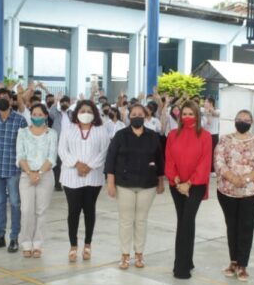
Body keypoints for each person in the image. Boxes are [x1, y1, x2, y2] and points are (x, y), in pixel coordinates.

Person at [105, 104, 165, 270]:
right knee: (126, 220)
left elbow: (160, 160)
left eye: (140, 114)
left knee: (141, 220)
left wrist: (160, 181)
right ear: (129, 117)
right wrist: (110, 182)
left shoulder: (152, 136)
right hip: (124, 184)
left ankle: (139, 253)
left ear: (145, 116)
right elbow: (111, 160)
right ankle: (125, 254)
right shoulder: (120, 136)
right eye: (133, 114)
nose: (137, 116)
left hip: (148, 185)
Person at [214, 109, 254, 282]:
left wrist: (245, 179)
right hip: (227, 191)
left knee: (246, 227)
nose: (243, 121)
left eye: (246, 119)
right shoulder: (224, 140)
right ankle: (233, 261)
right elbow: (219, 162)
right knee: (232, 226)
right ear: (234, 121)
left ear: (252, 122)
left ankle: (243, 265)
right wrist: (232, 178)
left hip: (252, 192)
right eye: (240, 118)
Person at [165, 100, 212, 279]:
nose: (187, 117)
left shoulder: (206, 136)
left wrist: (189, 183)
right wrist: (176, 179)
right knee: (184, 221)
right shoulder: (172, 135)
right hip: (176, 185)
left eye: (191, 114)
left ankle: (181, 267)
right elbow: (169, 159)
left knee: (186, 221)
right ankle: (187, 261)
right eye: (184, 114)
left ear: (197, 116)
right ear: (179, 115)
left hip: (196, 186)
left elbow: (204, 163)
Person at [58, 99, 110, 262]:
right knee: (73, 210)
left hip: (93, 176)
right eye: (82, 111)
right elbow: (62, 150)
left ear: (94, 113)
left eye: (89, 111)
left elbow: (105, 150)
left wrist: (89, 166)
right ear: (76, 113)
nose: (85, 114)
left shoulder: (101, 130)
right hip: (71, 175)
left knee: (89, 209)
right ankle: (73, 245)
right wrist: (77, 164)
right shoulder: (68, 129)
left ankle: (88, 244)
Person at [0, 88, 27, 253]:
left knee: (15, 204)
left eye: (6, 97)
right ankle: (0, 237)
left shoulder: (20, 121)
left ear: (11, 100)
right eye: (0, 97)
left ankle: (14, 238)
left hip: (13, 170)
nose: (2, 99)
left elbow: (24, 146)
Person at [16, 103, 58, 258]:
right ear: (30, 115)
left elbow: (51, 156)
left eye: (41, 114)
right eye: (34, 114)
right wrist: (30, 172)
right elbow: (20, 155)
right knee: (26, 210)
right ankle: (26, 242)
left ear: (46, 116)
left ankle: (38, 243)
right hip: (26, 175)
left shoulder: (51, 133)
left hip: (45, 175)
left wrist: (39, 173)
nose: (37, 117)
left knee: (41, 211)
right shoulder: (23, 132)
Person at [203, 97, 221, 172]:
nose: (204, 103)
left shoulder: (217, 110)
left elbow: (215, 113)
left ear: (211, 103)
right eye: (205, 102)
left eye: (206, 102)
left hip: (213, 135)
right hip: (205, 135)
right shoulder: (203, 111)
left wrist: (210, 110)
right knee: (205, 153)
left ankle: (212, 170)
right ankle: (206, 168)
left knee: (213, 153)